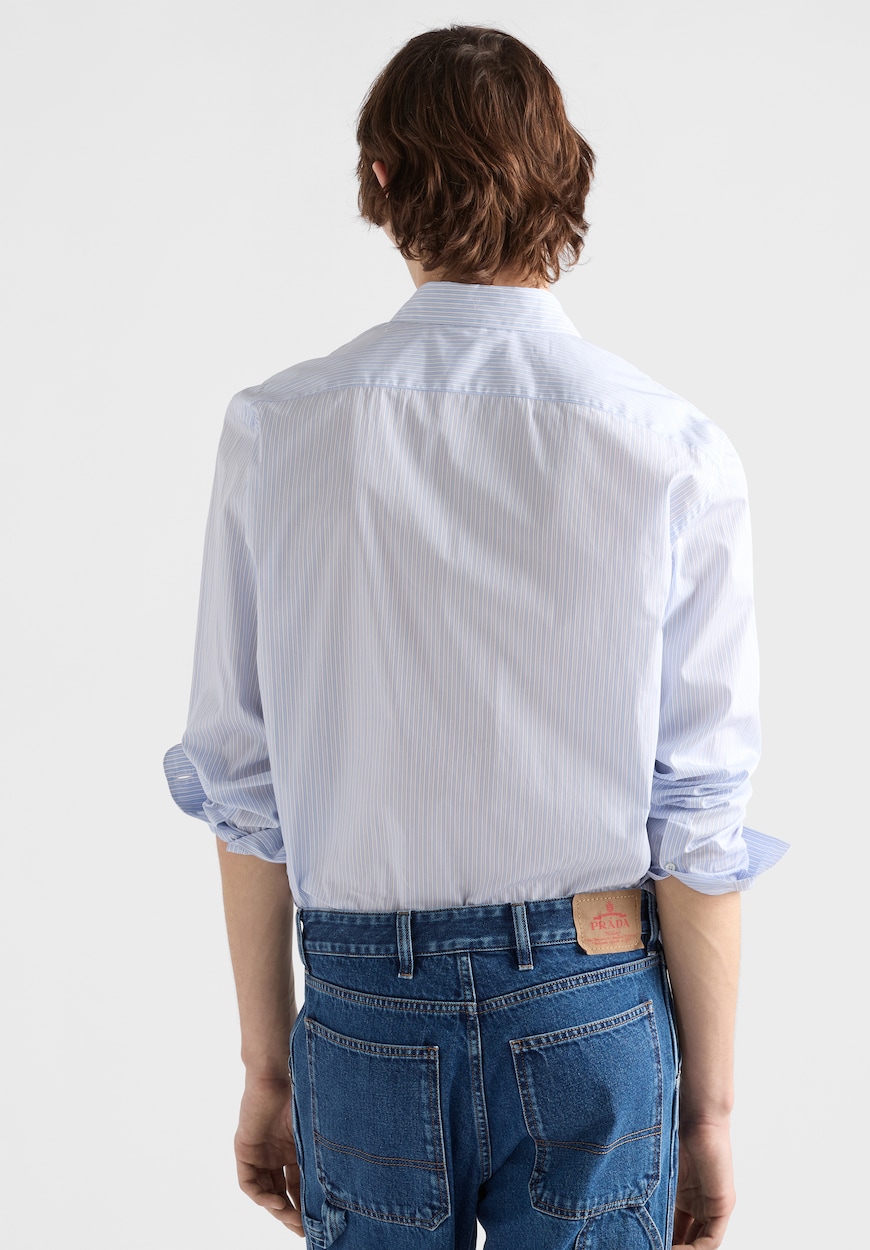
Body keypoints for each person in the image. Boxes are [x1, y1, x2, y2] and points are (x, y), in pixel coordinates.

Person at [163, 23, 789, 1250]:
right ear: (566, 172)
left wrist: (268, 1067)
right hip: (592, 997)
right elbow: (700, 814)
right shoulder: (671, 446)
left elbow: (243, 783)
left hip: (362, 1011)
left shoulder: (276, 429)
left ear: (380, 177)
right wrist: (709, 1112)